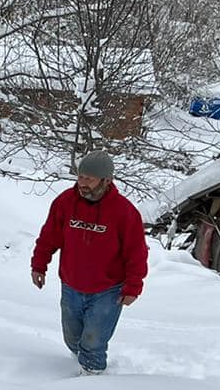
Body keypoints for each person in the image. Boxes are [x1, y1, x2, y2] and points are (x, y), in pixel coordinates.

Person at [30, 151, 148, 375]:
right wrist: (39, 265)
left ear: (106, 180)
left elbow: (136, 253)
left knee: (93, 343)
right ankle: (80, 363)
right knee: (72, 339)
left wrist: (133, 286)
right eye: (80, 177)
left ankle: (91, 383)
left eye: (89, 179)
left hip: (108, 290)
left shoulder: (124, 212)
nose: (82, 183)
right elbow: (49, 237)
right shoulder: (65, 202)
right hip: (71, 285)